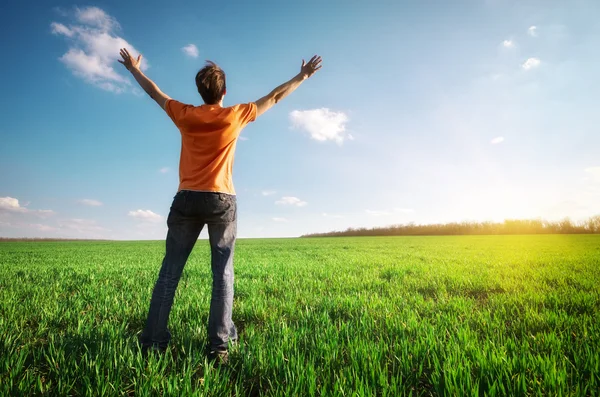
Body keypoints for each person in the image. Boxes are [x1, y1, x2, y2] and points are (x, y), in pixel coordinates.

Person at [118, 48, 322, 362]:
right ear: (224, 92)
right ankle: (218, 347)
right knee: (222, 275)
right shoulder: (235, 115)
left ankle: (153, 344)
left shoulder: (184, 114)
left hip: (186, 198)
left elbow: (154, 93)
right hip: (221, 199)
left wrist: (133, 69)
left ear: (200, 92)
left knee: (169, 274)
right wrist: (303, 75)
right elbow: (276, 97)